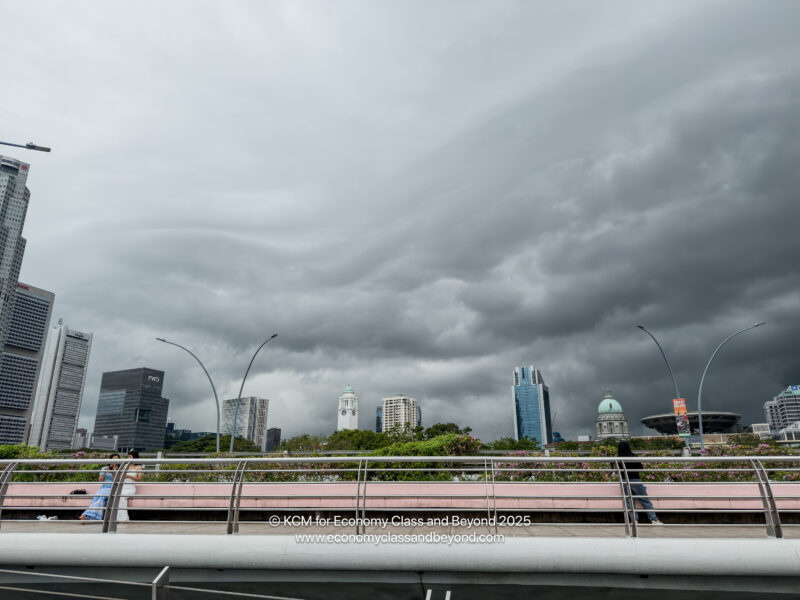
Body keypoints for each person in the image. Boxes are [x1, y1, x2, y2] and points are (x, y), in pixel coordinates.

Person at [617, 441, 662, 525]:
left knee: (629, 502)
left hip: (624, 481)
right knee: (645, 500)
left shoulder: (618, 459)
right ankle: (654, 520)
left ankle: (634, 521)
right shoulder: (633, 457)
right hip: (636, 480)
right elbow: (640, 468)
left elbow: (616, 471)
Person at [79, 453, 120, 521]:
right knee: (97, 497)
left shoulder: (119, 469)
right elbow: (100, 480)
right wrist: (104, 472)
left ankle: (87, 515)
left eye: (117, 459)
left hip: (112, 488)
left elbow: (117, 481)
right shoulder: (104, 468)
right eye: (114, 459)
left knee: (102, 497)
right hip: (104, 487)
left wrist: (113, 473)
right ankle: (88, 516)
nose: (115, 460)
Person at [117, 450, 143, 522]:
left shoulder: (138, 467)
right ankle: (120, 518)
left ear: (134, 457)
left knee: (122, 496)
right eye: (128, 456)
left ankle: (123, 519)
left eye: (130, 456)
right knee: (117, 496)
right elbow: (120, 477)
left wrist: (129, 476)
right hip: (123, 486)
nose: (128, 458)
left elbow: (139, 479)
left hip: (130, 487)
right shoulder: (125, 466)